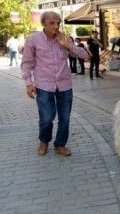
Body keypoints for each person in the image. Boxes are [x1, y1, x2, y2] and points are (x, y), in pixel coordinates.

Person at [20, 11, 89, 156]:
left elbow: (85, 56)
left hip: (64, 84)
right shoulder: (33, 39)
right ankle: (44, 142)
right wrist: (28, 83)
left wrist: (68, 45)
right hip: (44, 84)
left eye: (58, 23)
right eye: (52, 23)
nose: (56, 26)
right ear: (43, 24)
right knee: (47, 117)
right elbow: (26, 63)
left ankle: (60, 145)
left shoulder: (65, 39)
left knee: (65, 118)